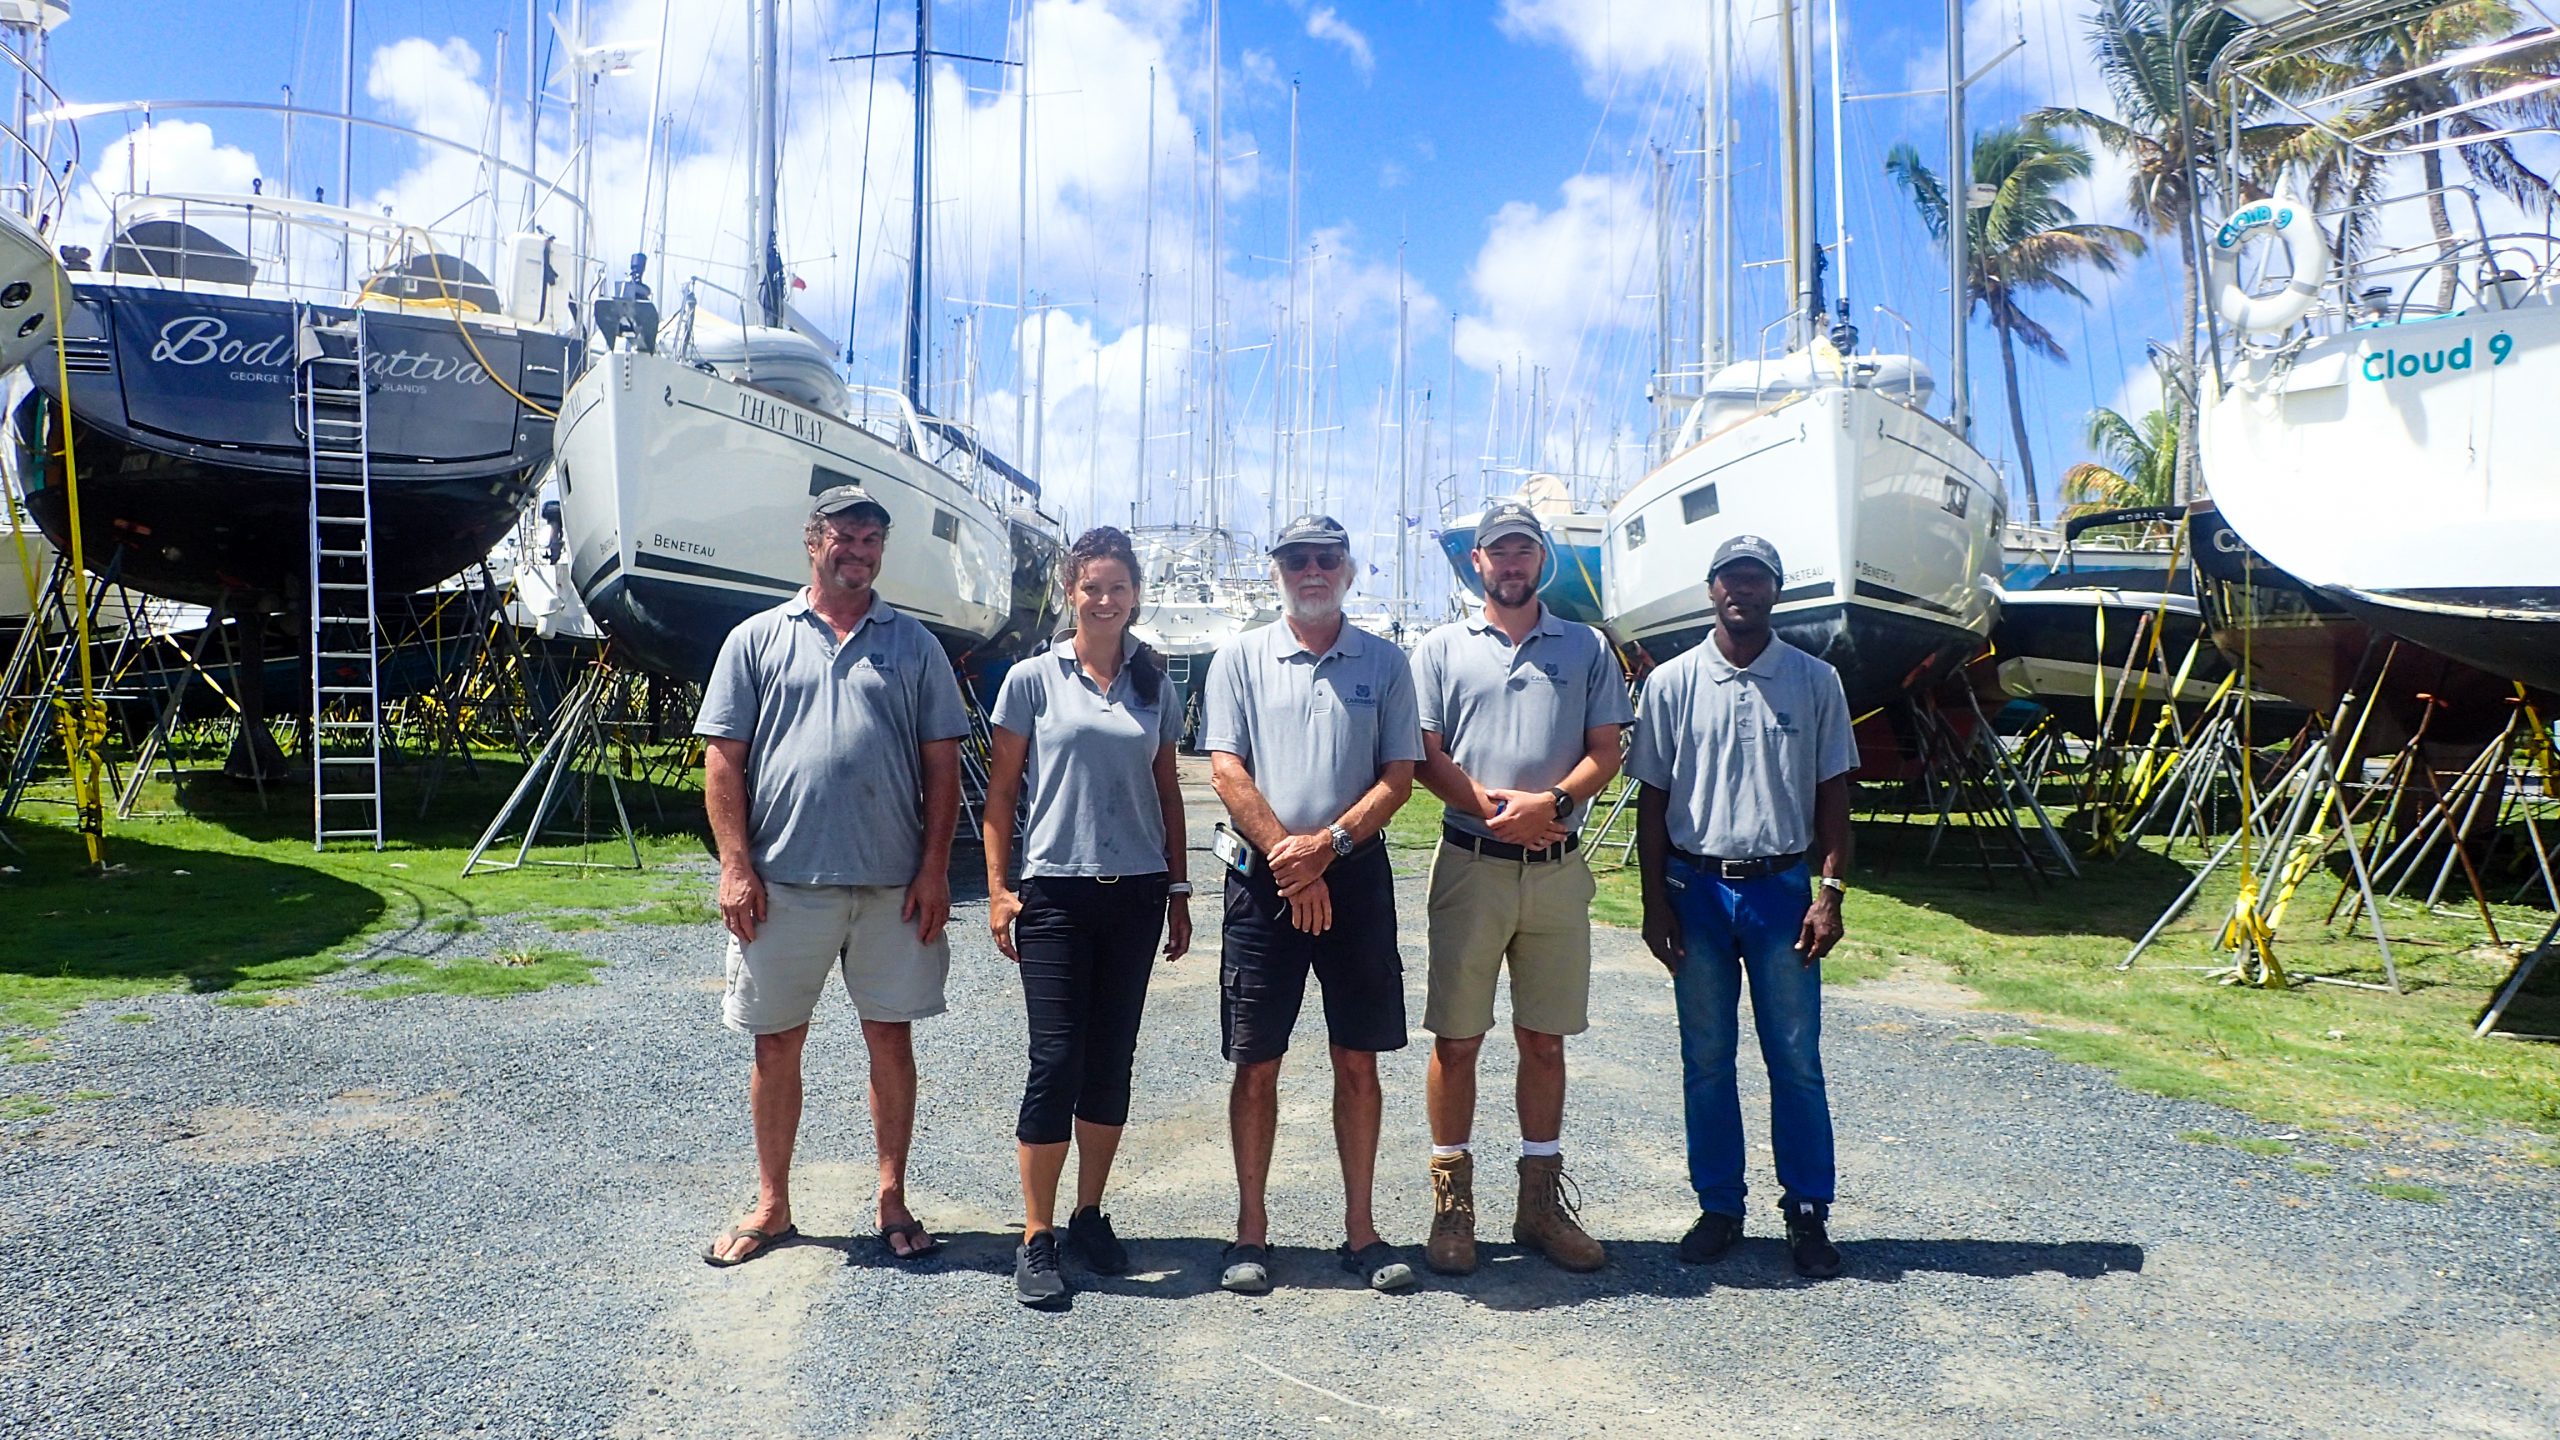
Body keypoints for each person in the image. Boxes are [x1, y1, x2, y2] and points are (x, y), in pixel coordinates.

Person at [696, 485, 969, 1268]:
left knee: (891, 1038)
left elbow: (941, 767)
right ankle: (774, 1204)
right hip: (783, 885)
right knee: (776, 1044)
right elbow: (724, 760)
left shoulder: (914, 645)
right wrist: (736, 868)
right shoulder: (756, 640)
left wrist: (933, 872)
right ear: (812, 541)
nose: (860, 550)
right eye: (845, 536)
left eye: (873, 538)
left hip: (891, 888)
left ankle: (891, 1195)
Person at [1200, 514, 1424, 1295]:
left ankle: (1361, 1231)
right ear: (1276, 573)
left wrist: (1327, 846)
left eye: (1327, 557)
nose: (1312, 570)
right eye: (1296, 559)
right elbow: (1227, 770)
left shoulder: (1387, 663)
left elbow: (1399, 775)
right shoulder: (1239, 657)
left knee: (1356, 1059)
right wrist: (1291, 860)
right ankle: (1249, 1232)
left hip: (1354, 877)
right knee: (1256, 1061)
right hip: (1264, 880)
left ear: (1349, 569)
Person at [1408, 500, 1633, 1276]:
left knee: (1544, 1038)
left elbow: (1606, 749)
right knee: (1458, 1040)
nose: (1511, 565)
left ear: (1543, 563)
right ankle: (1452, 1204)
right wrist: (1494, 809)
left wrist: (1555, 806)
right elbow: (1424, 752)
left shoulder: (1586, 647)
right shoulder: (1440, 649)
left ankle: (1539, 1204)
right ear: (1478, 562)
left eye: (1524, 553)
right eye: (1497, 553)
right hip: (1471, 865)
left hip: (1557, 871)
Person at [1627, 533, 1857, 1279]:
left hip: (1782, 891)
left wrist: (1830, 892)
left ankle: (1808, 1209)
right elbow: (1653, 800)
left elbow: (1834, 795)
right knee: (1706, 1058)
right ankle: (1721, 1205)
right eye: (1730, 580)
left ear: (1775, 592)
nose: (1742, 592)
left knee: (1795, 1058)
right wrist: (1653, 900)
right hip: (1696, 891)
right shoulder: (1670, 684)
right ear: (1710, 590)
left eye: (1757, 581)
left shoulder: (1815, 680)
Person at [983, 527, 1194, 1309]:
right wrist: (1001, 890)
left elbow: (1168, 794)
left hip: (1135, 892)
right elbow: (1002, 795)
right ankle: (1036, 1235)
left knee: (1112, 1058)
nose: (1104, 600)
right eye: (1090, 587)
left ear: (1135, 594)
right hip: (1056, 896)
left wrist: (1177, 888)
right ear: (1070, 593)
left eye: (1117, 588)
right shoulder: (1033, 681)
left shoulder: (1154, 687)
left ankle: (1088, 1215)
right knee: (1056, 1058)